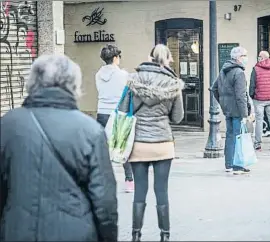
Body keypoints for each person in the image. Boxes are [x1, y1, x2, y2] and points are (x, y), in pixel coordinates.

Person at [0, 55, 118, 241]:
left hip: (17, 231)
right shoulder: (91, 131)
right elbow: (104, 201)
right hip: (75, 232)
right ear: (74, 85)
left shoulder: (8, 125)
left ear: (32, 83)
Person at [119, 44, 184, 242]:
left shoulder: (133, 80)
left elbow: (122, 109)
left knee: (140, 190)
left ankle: (136, 235)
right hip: (163, 143)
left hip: (138, 143)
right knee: (161, 190)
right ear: (167, 60)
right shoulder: (172, 83)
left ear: (150, 57)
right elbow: (178, 117)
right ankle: (165, 235)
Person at [95, 44, 134, 193]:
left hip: (102, 113)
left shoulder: (98, 75)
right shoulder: (123, 75)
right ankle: (129, 180)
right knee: (122, 147)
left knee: (104, 149)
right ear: (115, 58)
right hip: (117, 113)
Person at [211, 46, 251, 175]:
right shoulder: (239, 73)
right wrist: (245, 114)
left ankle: (229, 164)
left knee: (230, 135)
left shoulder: (224, 70)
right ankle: (237, 165)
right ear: (239, 57)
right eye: (245, 55)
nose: (246, 58)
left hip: (228, 109)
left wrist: (223, 102)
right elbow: (241, 96)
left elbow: (214, 88)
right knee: (238, 136)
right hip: (237, 110)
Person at [249, 50, 270, 151]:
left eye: (259, 56)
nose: (258, 58)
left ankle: (258, 144)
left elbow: (252, 85)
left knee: (259, 120)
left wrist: (252, 95)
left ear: (262, 58)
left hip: (259, 99)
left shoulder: (256, 69)